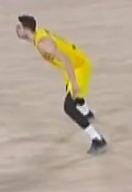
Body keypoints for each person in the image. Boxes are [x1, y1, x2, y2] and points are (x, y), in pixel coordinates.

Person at [17, 15, 107, 155]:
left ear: (27, 30)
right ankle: (87, 112)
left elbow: (65, 59)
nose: (18, 29)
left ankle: (97, 140)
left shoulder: (42, 44)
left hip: (79, 67)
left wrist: (75, 82)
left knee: (69, 107)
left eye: (20, 27)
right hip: (75, 64)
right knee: (71, 92)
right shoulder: (39, 34)